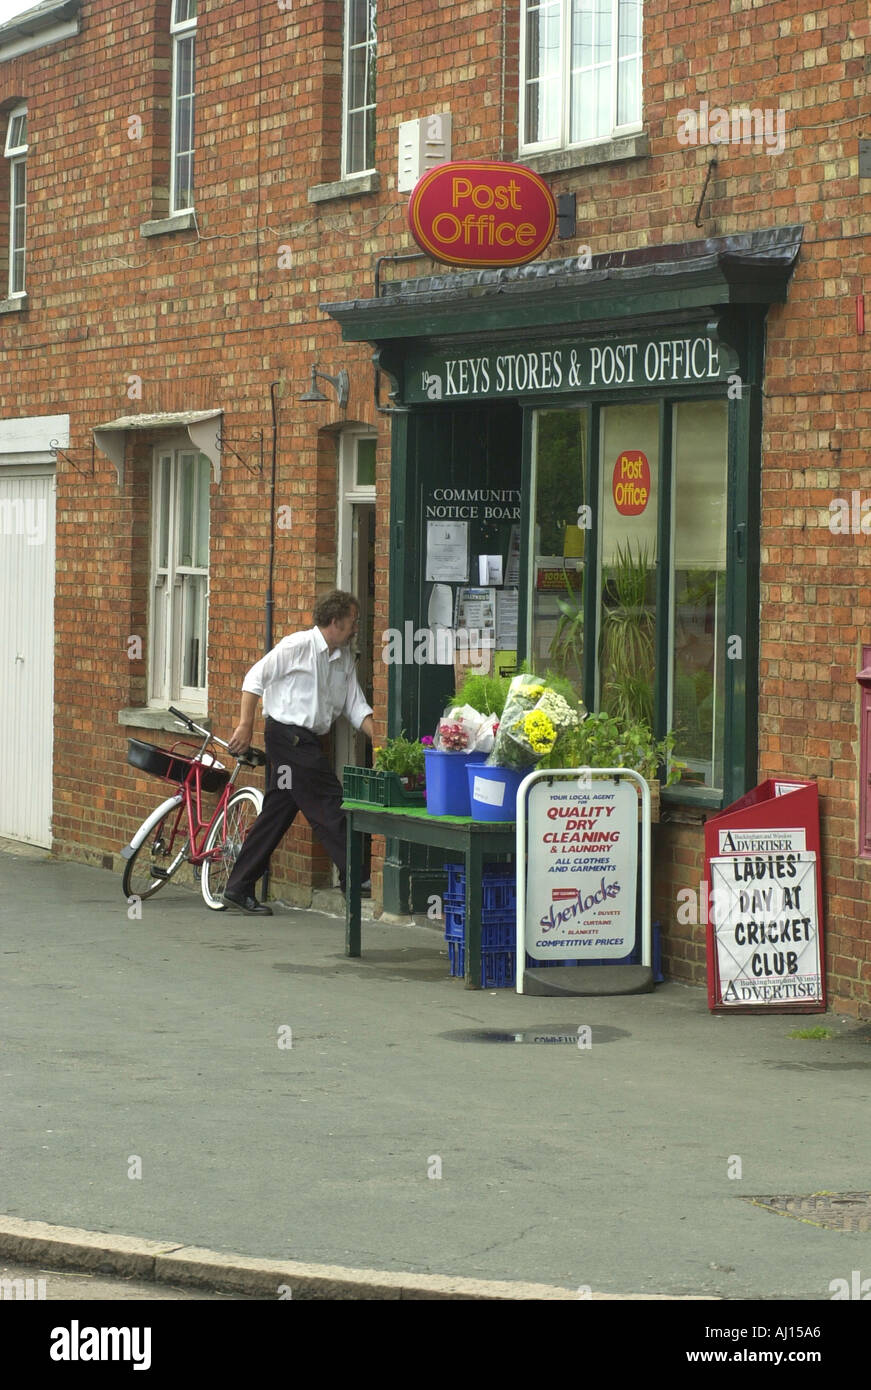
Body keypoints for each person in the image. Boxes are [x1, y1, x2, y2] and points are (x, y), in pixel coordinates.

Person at [221, 590, 374, 914]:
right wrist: (245, 725)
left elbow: (355, 705)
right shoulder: (297, 646)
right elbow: (254, 679)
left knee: (278, 812)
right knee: (331, 801)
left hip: (306, 741)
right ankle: (356, 875)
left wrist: (383, 740)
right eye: (352, 622)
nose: (355, 627)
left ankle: (238, 886)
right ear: (334, 622)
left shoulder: (344, 656)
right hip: (287, 738)